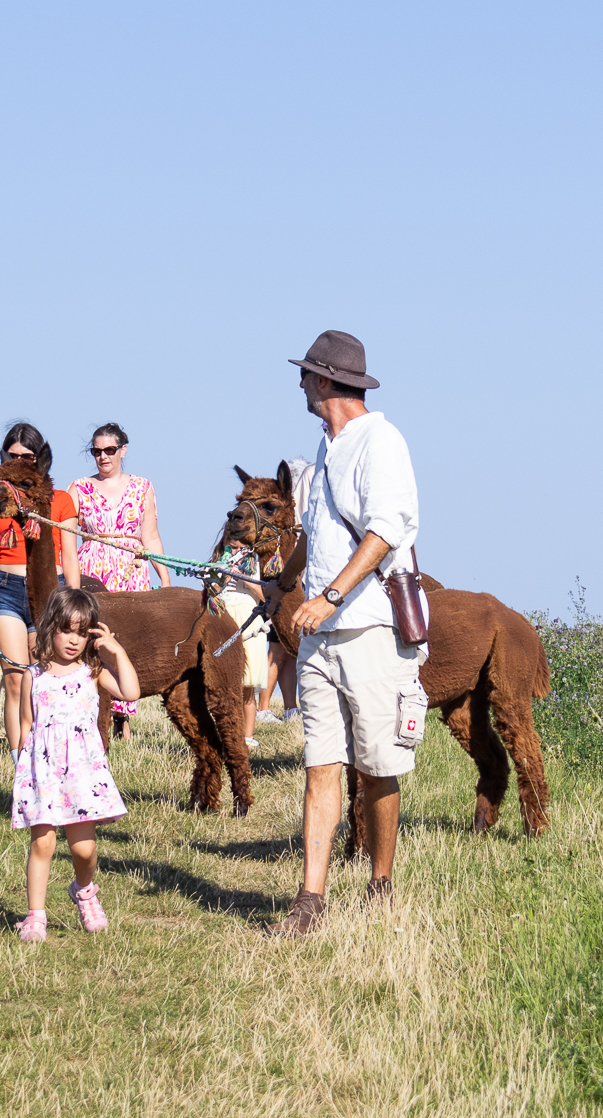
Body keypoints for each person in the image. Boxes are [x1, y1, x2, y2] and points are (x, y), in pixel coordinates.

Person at [264, 331, 429, 936]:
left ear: (327, 382)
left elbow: (384, 531)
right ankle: (310, 900)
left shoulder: (380, 442)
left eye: (307, 374)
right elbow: (319, 533)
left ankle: (380, 885)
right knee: (321, 763)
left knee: (379, 764)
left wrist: (330, 596)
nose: (301, 384)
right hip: (320, 639)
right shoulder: (325, 444)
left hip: (369, 629)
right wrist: (287, 583)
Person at [10, 588, 139, 942]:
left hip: (82, 774)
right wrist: (22, 773)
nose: (73, 640)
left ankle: (84, 890)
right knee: (43, 845)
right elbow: (26, 726)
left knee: (84, 849)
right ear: (51, 626)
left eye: (82, 633)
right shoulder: (32, 676)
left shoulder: (92, 672)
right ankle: (36, 916)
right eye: (67, 629)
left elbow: (131, 692)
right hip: (44, 774)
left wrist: (117, 651)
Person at [0, 423, 81, 751]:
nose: (20, 460)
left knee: (42, 679)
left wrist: (74, 603)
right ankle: (20, 766)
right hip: (6, 590)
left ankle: (46, 753)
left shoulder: (60, 501)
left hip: (49, 592)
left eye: (28, 456)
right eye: (12, 456)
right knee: (15, 680)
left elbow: (69, 557)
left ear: (39, 459)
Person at [69, 422, 171, 740]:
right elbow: (66, 540)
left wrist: (165, 580)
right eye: (97, 451)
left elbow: (151, 537)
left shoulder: (143, 487)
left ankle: (122, 719)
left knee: (127, 641)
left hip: (131, 570)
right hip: (91, 571)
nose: (103, 456)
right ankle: (95, 710)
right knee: (91, 640)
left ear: (122, 450)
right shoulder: (78, 488)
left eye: (109, 450)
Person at [258, 457, 315, 725]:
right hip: (284, 585)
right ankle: (263, 707)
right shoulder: (280, 517)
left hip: (295, 584)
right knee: (277, 649)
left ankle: (291, 707)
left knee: (291, 650)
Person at [211, 535, 271, 749]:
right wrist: (222, 580)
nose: (236, 551)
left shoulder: (254, 563)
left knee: (247, 683)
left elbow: (266, 596)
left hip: (248, 616)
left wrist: (246, 579)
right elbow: (210, 593)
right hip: (225, 615)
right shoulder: (218, 563)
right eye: (232, 546)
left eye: (240, 547)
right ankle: (226, 732)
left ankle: (247, 736)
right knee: (226, 682)